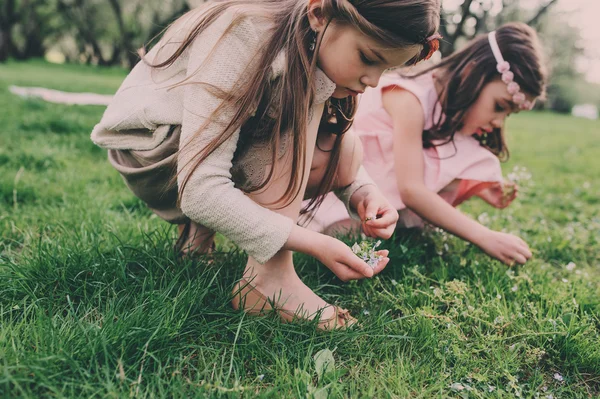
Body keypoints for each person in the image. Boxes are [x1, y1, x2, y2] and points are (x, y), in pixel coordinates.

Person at [90, 0, 441, 329]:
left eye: (387, 68)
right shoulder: (244, 31)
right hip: (154, 155)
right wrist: (312, 243)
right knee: (297, 113)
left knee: (342, 146)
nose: (373, 80)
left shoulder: (314, 44)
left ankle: (196, 242)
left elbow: (332, 146)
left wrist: (361, 191)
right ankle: (270, 280)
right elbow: (199, 188)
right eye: (367, 57)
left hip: (195, 156)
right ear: (319, 13)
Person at [309, 22, 547, 267]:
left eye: (508, 114)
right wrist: (485, 237)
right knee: (344, 233)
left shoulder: (451, 112)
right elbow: (412, 190)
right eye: (499, 106)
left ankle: (400, 224)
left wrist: (479, 188)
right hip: (346, 181)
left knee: (462, 144)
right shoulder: (409, 98)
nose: (498, 122)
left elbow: (433, 159)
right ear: (471, 73)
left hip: (384, 181)